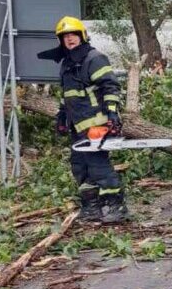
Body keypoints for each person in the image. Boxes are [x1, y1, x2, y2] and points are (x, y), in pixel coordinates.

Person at [37, 17, 128, 223]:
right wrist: (62, 116)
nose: (69, 39)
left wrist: (112, 114)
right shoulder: (67, 64)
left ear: (82, 36)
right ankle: (91, 208)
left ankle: (116, 206)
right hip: (77, 127)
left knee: (98, 166)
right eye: (65, 36)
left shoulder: (93, 58)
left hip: (96, 123)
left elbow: (110, 87)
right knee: (80, 167)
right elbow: (68, 95)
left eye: (73, 35)